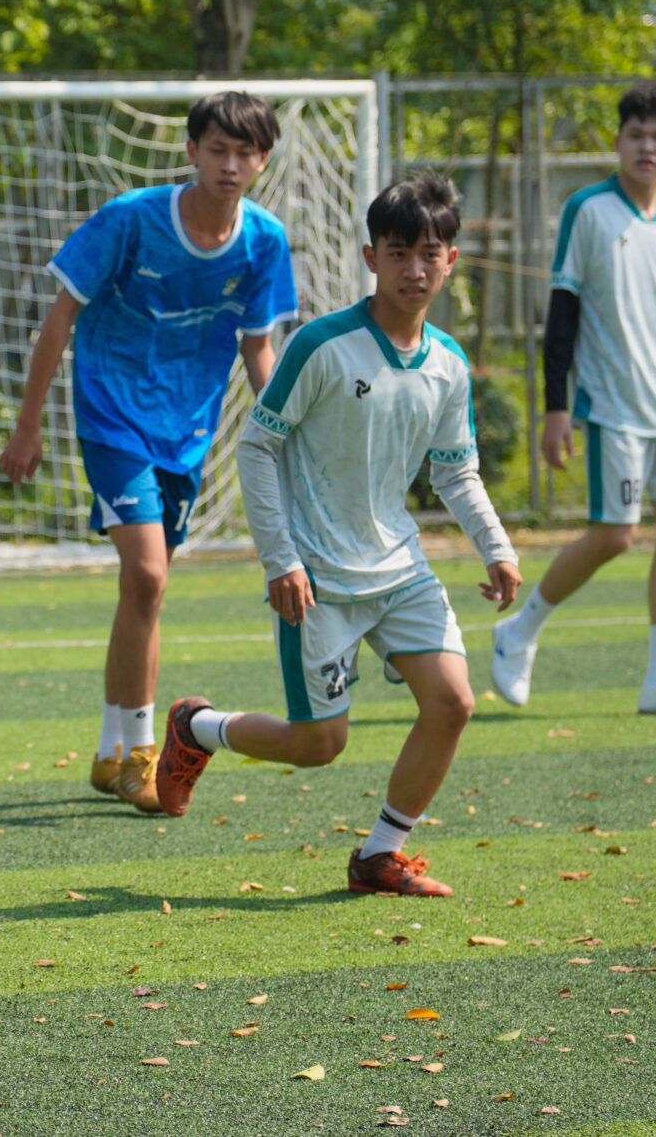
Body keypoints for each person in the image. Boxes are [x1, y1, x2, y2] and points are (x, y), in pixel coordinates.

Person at [154, 173, 521, 897]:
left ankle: (380, 855)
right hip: (317, 579)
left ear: (451, 260)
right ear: (370, 256)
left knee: (453, 703)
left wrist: (497, 547)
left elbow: (456, 472)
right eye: (398, 253)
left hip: (401, 570)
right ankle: (197, 728)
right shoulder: (322, 345)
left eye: (430, 253)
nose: (414, 269)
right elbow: (257, 447)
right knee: (319, 744)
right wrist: (281, 560)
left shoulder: (449, 364)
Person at [0, 93, 297, 812]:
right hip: (112, 416)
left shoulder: (264, 241)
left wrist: (286, 433)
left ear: (263, 159)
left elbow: (258, 346)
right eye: (217, 149)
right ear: (191, 150)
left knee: (145, 590)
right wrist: (28, 424)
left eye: (246, 152)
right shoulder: (130, 219)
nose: (230, 165)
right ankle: (140, 754)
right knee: (148, 572)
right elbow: (60, 318)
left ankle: (109, 752)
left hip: (187, 431)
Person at [491, 81, 656, 714]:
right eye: (636, 135)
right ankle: (518, 632)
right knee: (615, 535)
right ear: (619, 142)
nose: (647, 147)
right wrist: (556, 408)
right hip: (613, 407)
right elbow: (562, 315)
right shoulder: (588, 210)